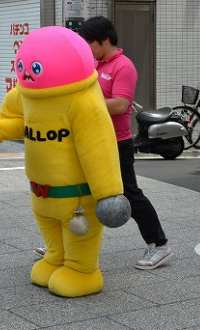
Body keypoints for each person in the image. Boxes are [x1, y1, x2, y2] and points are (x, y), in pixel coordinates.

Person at [78, 16, 173, 270]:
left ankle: (159, 245)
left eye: (88, 42)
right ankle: (64, 245)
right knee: (79, 191)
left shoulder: (123, 66)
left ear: (105, 40)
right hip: (91, 140)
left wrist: (82, 104)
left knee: (129, 194)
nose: (86, 48)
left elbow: (120, 104)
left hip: (116, 143)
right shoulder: (94, 66)